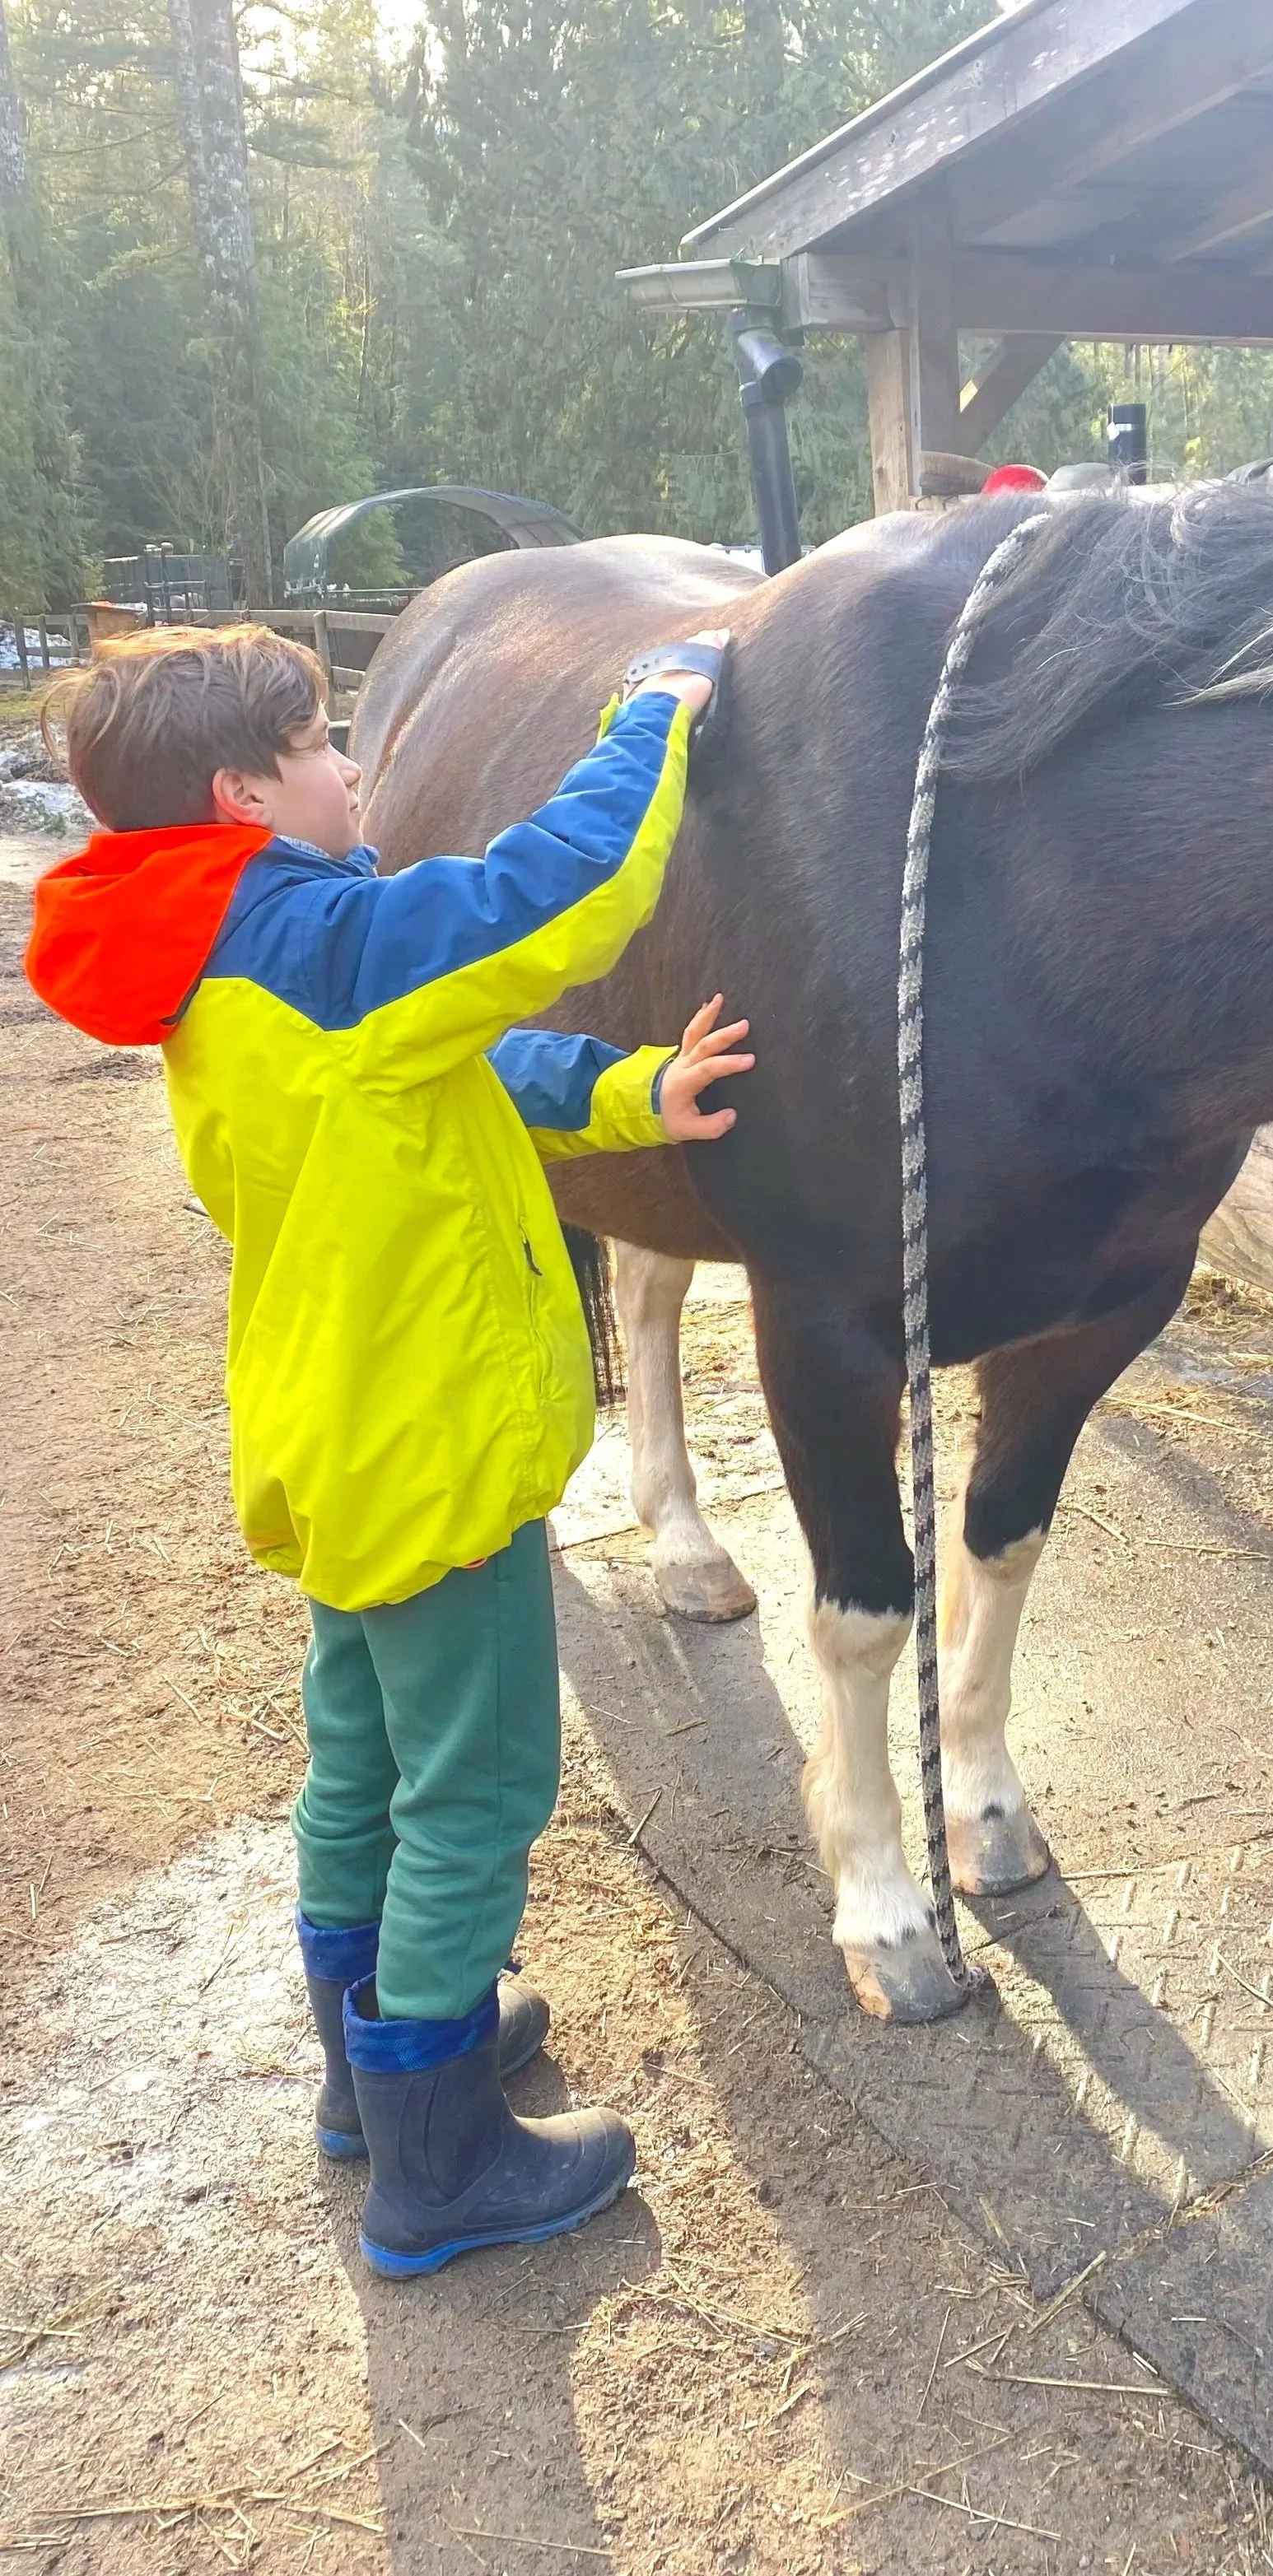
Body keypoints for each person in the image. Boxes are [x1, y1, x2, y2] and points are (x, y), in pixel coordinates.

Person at [25, 622, 752, 2277]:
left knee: (358, 1763)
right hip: (428, 1452)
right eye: (322, 743)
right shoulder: (333, 944)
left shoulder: (242, 954)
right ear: (245, 792)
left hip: (333, 1432)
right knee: (476, 1785)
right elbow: (558, 888)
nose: (355, 767)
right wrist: (655, 711)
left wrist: (635, 1088)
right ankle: (440, 2165)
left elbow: (457, 1060)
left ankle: (374, 2072)